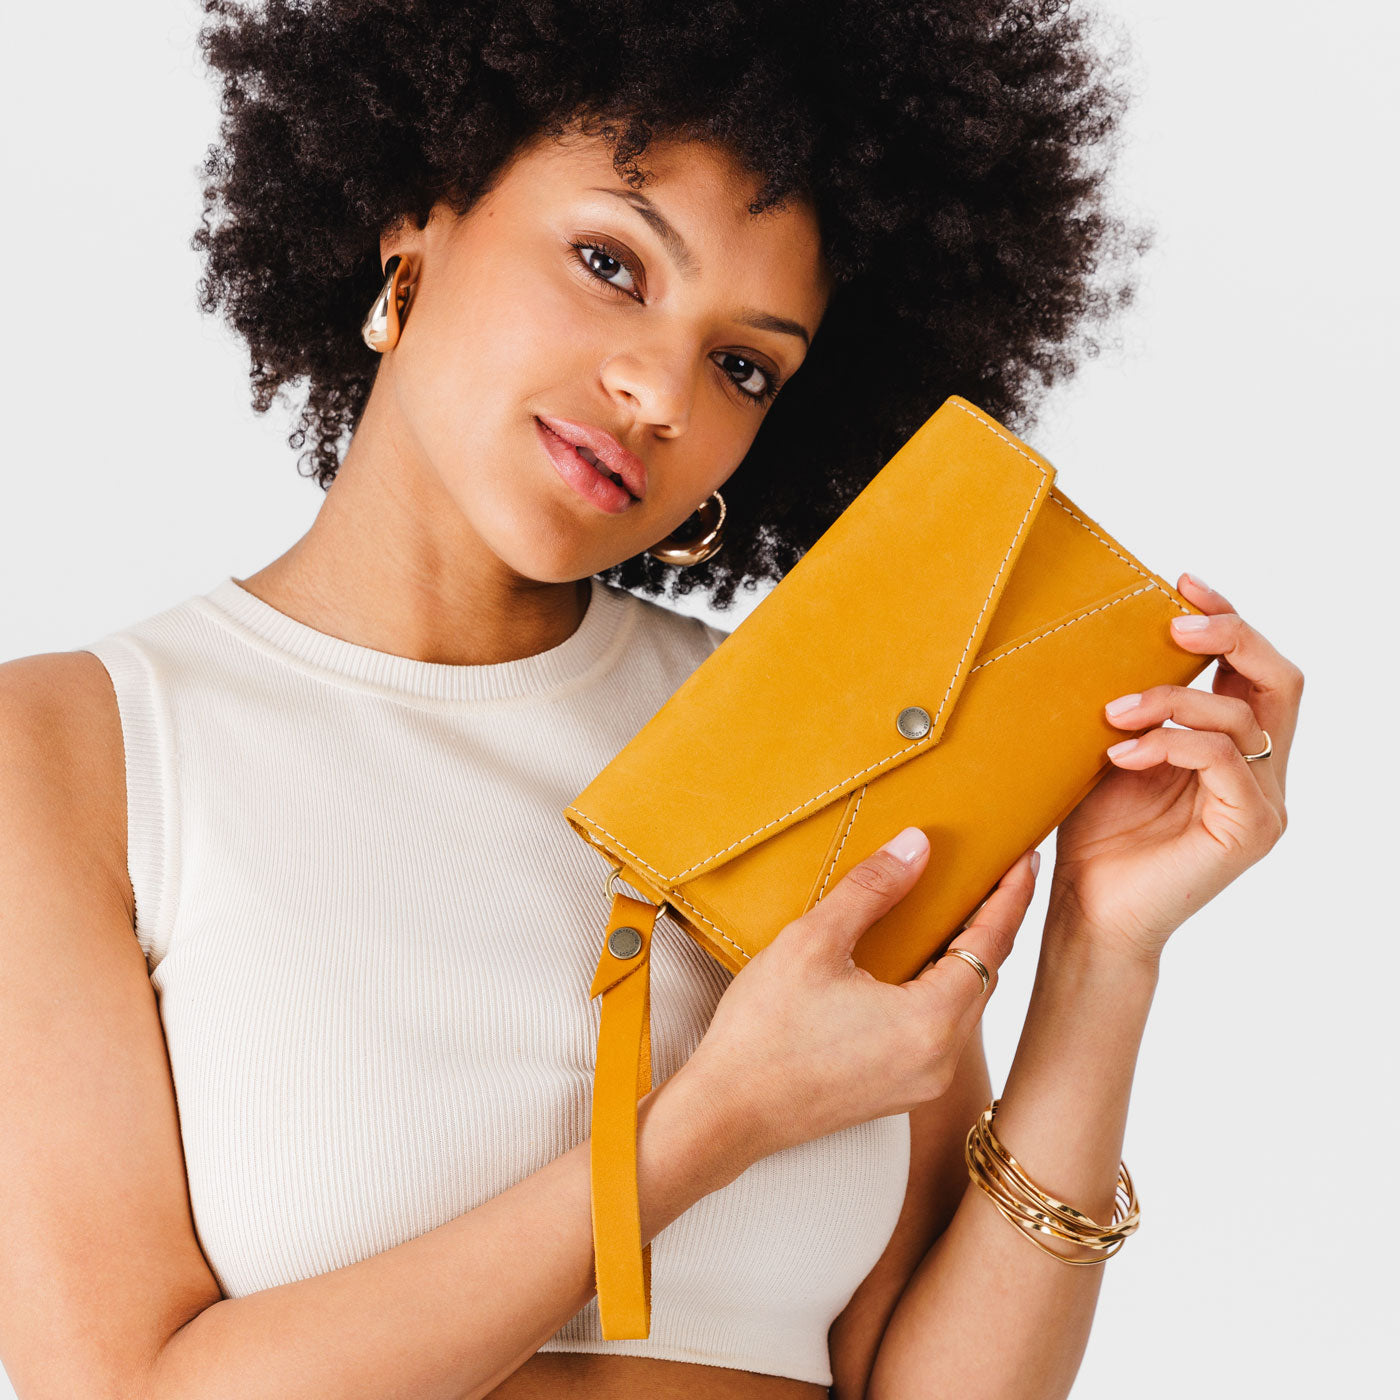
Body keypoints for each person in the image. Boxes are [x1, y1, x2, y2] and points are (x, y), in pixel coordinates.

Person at [0, 2, 1303, 1397]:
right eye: (611, 263)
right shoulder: (77, 752)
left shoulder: (806, 734)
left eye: (744, 365)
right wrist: (715, 1124)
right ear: (414, 223)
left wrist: (1106, 954)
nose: (657, 391)